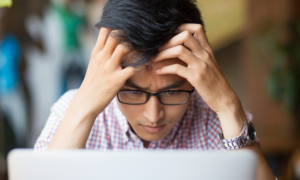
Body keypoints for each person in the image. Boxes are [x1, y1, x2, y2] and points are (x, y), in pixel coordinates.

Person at [34, 0, 275, 179]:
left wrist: (229, 107)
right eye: (134, 92)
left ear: (194, 81)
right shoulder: (72, 109)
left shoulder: (220, 118)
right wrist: (84, 107)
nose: (153, 115)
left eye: (172, 92)